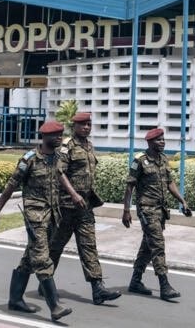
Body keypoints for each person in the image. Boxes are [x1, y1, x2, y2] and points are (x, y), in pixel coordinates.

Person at [0, 120, 86, 322]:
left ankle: (15, 299)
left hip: (52, 215)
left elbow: (60, 177)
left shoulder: (58, 157)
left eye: (61, 135)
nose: (60, 138)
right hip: (35, 216)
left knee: (30, 258)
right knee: (42, 258)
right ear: (44, 137)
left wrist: (74, 194)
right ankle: (55, 306)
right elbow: (9, 188)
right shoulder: (29, 159)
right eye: (55, 135)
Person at [46, 112, 121, 305]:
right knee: (56, 247)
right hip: (67, 206)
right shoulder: (67, 146)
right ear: (75, 126)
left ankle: (98, 289)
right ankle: (45, 282)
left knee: (89, 246)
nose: (87, 127)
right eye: (83, 124)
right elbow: (59, 171)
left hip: (85, 206)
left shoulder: (89, 145)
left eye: (89, 124)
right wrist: (73, 193)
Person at [122, 127, 192, 302]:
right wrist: (126, 210)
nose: (162, 142)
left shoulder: (163, 159)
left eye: (163, 140)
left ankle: (135, 282)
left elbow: (170, 183)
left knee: (148, 246)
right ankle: (164, 285)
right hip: (146, 210)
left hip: (160, 210)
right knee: (158, 245)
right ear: (150, 142)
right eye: (159, 140)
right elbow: (130, 186)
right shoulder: (139, 161)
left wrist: (182, 201)